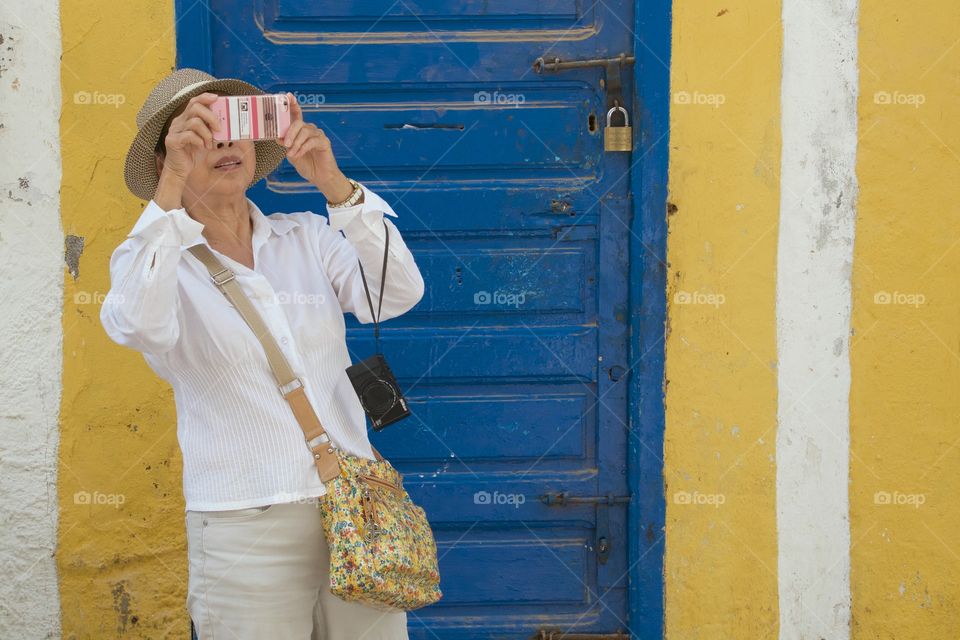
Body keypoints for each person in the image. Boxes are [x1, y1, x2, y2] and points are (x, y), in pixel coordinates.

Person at [100, 68, 424, 639]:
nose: (224, 143)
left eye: (233, 126)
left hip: (355, 506)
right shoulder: (156, 264)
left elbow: (395, 294)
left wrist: (335, 185)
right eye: (199, 133)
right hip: (244, 522)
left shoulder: (306, 237)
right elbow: (134, 324)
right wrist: (170, 192)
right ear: (164, 159)